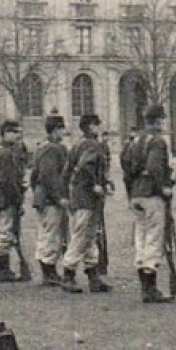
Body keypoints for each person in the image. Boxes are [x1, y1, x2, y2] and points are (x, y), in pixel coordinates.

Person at [127, 104, 174, 303]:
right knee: (154, 238)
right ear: (157, 121)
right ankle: (150, 286)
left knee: (141, 236)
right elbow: (155, 167)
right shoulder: (157, 141)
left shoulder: (135, 140)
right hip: (152, 193)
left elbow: (126, 165)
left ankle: (144, 284)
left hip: (137, 192)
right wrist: (163, 186)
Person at [60, 113, 110, 294]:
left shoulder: (77, 144)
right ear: (90, 126)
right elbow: (85, 166)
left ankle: (93, 274)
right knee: (81, 235)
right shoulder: (91, 145)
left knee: (88, 236)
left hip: (79, 195)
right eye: (97, 124)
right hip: (86, 197)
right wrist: (95, 184)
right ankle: (68, 273)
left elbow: (67, 171)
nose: (100, 127)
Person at [30, 112, 71, 285]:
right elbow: (49, 175)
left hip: (43, 196)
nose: (63, 133)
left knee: (47, 233)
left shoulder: (42, 147)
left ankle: (49, 269)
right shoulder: (53, 149)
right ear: (55, 131)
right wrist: (58, 196)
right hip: (50, 199)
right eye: (61, 129)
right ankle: (49, 271)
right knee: (51, 235)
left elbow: (34, 175)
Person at [0, 119, 30, 283]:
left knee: (8, 231)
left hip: (5, 195)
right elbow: (9, 180)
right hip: (7, 196)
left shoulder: (5, 150)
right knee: (5, 231)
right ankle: (4, 270)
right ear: (5, 133)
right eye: (14, 132)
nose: (17, 135)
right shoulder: (5, 153)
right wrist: (18, 200)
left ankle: (6, 268)